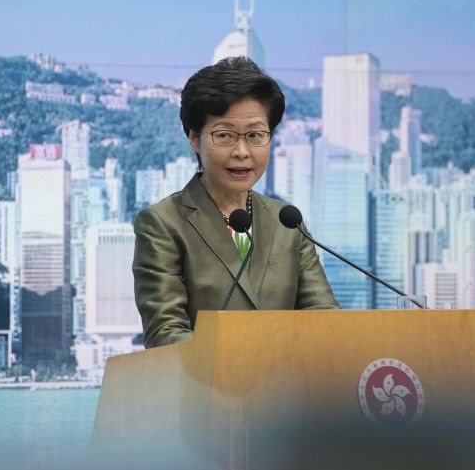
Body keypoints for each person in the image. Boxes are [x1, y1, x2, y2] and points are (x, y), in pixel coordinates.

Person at [133, 57, 338, 348]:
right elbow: (166, 332)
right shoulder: (163, 223)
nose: (242, 151)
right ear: (194, 138)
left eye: (255, 135)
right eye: (225, 136)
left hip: (289, 389)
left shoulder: (288, 221)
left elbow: (324, 318)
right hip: (206, 389)